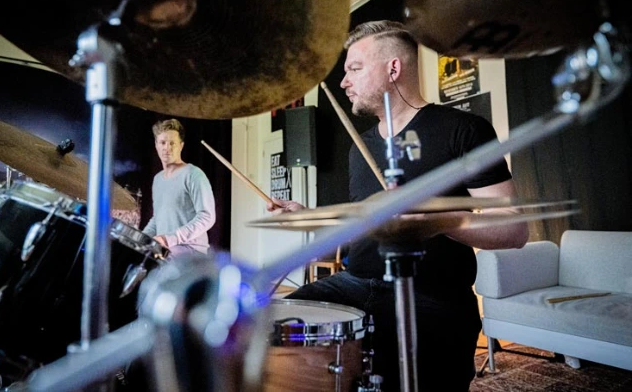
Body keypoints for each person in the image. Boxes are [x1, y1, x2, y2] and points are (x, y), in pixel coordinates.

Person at [268, 20, 529, 391]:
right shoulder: (360, 147)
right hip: (353, 284)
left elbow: (514, 229)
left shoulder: (464, 130)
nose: (344, 82)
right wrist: (309, 216)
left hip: (430, 296)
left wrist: (440, 220)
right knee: (265, 327)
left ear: (393, 68)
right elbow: (367, 226)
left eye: (354, 68)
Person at [142, 118, 216, 258]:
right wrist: (141, 239)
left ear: (181, 146)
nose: (167, 148)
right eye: (163, 143)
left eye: (172, 143)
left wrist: (169, 239)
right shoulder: (157, 179)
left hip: (191, 253)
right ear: (156, 145)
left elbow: (207, 216)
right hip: (167, 250)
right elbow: (157, 219)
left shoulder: (193, 174)